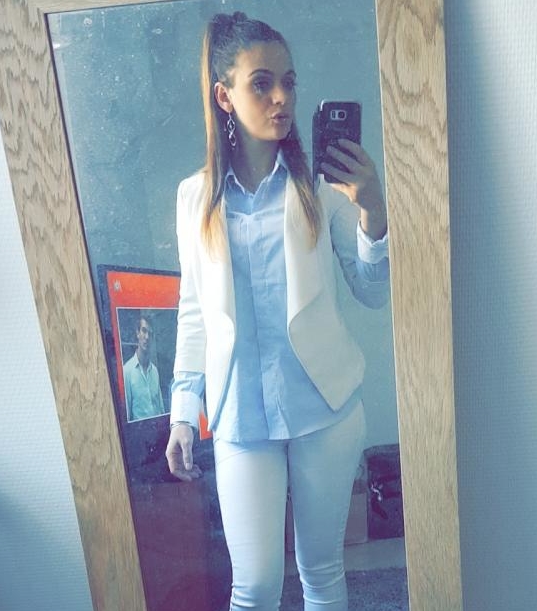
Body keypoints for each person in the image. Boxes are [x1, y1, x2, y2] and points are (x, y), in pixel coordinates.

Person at [165, 12, 389, 611]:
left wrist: (372, 210)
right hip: (240, 417)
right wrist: (184, 412)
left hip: (325, 408)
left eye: (288, 81)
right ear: (224, 96)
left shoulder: (319, 187)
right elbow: (194, 310)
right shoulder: (194, 197)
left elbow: (372, 289)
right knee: (256, 586)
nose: (282, 97)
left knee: (322, 573)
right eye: (261, 83)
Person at [123, 314, 166, 421]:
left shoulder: (154, 371)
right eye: (144, 331)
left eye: (150, 334)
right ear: (137, 333)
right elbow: (127, 416)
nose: (147, 337)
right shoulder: (127, 371)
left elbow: (161, 409)